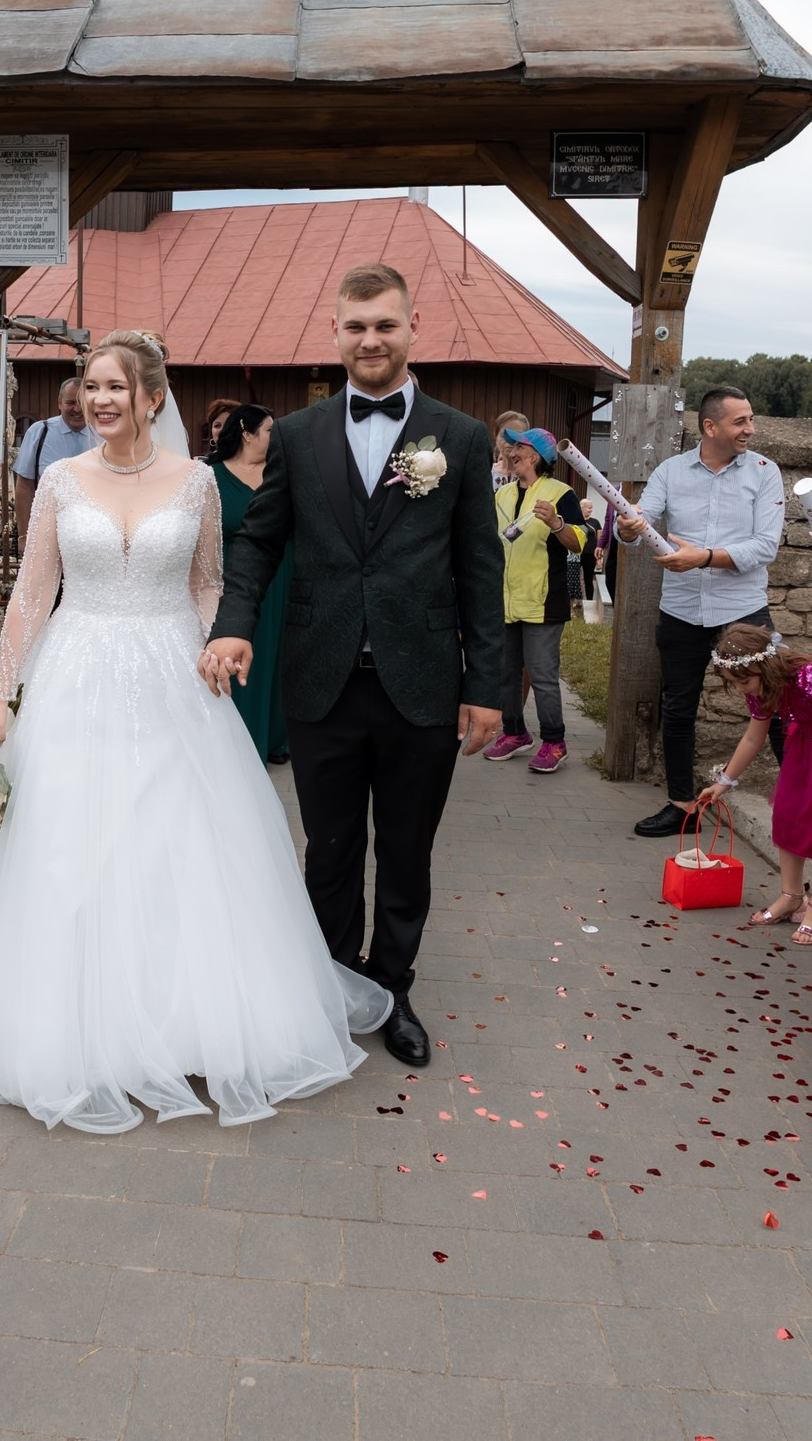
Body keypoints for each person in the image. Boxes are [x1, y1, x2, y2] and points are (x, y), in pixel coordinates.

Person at [0, 331, 391, 1131]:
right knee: (69, 841)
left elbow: (207, 581)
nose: (100, 399)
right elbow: (32, 594)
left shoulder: (196, 482)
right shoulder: (61, 480)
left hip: (172, 676)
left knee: (175, 840)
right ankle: (68, 1020)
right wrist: (1, 696)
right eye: (92, 386)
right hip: (75, 672)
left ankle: (185, 1019)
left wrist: (220, 640)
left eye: (116, 386)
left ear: (151, 396)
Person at [201, 264, 508, 1067]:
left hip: (422, 683)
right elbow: (259, 542)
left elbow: (481, 569)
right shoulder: (297, 436)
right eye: (356, 326)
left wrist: (487, 687)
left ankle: (394, 989)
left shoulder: (461, 437)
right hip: (320, 679)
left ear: (413, 327)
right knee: (330, 848)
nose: (370, 340)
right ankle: (335, 988)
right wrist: (234, 627)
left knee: (406, 850)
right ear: (334, 332)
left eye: (385, 325)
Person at [619, 386, 787, 837]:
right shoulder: (670, 471)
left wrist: (705, 558)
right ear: (710, 427)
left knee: (778, 705)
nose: (750, 429)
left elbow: (765, 546)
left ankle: (799, 803)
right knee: (677, 709)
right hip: (681, 611)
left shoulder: (765, 473)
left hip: (744, 610)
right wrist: (628, 527)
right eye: (741, 421)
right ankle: (682, 805)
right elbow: (639, 522)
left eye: (751, 419)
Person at [697, 623, 812, 946]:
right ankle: (792, 895)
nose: (739, 689)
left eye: (743, 682)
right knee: (786, 817)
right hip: (804, 747)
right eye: (733, 683)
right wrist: (724, 781)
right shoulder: (760, 690)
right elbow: (753, 737)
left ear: (765, 667)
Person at [484, 425, 586, 774]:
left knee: (542, 675)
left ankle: (555, 742)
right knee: (506, 673)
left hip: (544, 600)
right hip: (506, 600)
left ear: (535, 456)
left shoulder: (561, 493)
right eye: (511, 447)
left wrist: (557, 524)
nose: (511, 453)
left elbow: (580, 542)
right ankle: (515, 733)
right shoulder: (502, 494)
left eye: (518, 448)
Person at [207, 402, 291, 764]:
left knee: (277, 656)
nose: (276, 435)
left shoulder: (282, 472)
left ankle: (275, 738)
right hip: (235, 580)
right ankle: (239, 743)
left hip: (284, 576)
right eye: (269, 430)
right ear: (246, 433)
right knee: (238, 656)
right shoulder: (211, 476)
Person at [14, 377, 93, 539]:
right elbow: (24, 487)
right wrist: (24, 536)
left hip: (93, 533)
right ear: (59, 403)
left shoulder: (106, 436)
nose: (77, 409)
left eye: (82, 402)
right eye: (70, 403)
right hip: (47, 533)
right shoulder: (39, 433)